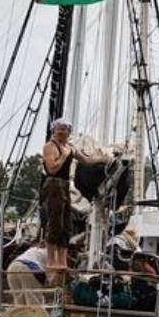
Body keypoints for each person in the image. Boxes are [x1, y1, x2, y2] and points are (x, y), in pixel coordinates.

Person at [42, 118, 102, 283]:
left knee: (65, 225)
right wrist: (65, 156)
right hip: (53, 183)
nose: (62, 133)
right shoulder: (50, 147)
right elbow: (52, 167)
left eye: (65, 130)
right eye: (59, 130)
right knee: (55, 222)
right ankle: (51, 261)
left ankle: (62, 261)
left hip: (65, 185)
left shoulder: (70, 147)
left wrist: (103, 158)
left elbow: (86, 160)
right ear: (54, 131)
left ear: (69, 132)